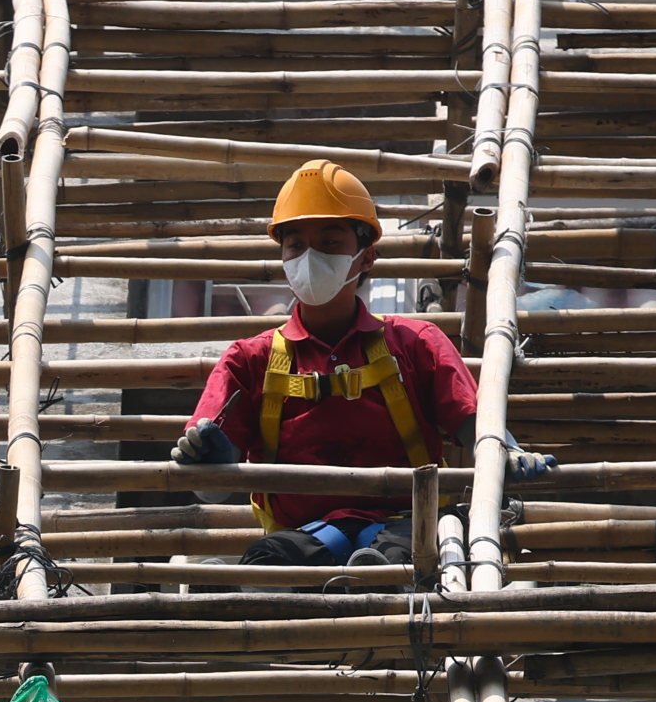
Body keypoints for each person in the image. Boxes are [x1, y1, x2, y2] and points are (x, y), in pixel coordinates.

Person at [171, 162, 535, 568]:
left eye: (330, 243)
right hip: (302, 534)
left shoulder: (415, 344)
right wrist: (207, 458)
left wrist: (506, 449)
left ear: (366, 258)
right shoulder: (249, 360)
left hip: (406, 527)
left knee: (390, 569)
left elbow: (474, 424)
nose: (310, 258)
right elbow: (210, 489)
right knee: (262, 567)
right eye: (296, 245)